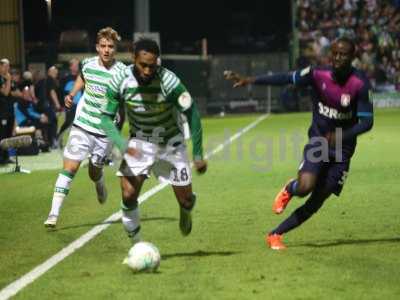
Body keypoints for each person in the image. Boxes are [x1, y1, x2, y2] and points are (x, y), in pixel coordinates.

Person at [225, 37, 374, 250]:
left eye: (344, 54)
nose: (339, 57)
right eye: (335, 53)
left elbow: (367, 122)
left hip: (343, 151)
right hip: (319, 141)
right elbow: (286, 78)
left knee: (316, 201)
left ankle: (275, 234)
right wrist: (250, 80)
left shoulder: (360, 84)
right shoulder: (316, 74)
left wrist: (341, 136)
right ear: (331, 54)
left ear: (352, 57)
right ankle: (290, 188)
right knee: (305, 188)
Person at [100, 38, 207, 243]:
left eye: (152, 66)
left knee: (186, 200)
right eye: (143, 65)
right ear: (133, 58)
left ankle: (185, 211)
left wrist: (198, 154)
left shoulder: (170, 81)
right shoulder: (119, 80)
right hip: (139, 142)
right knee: (129, 194)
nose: (148, 71)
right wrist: (122, 146)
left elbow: (192, 112)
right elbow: (105, 119)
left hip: (171, 144)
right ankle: (136, 246)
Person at [44, 27, 126, 227]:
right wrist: (71, 94)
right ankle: (53, 214)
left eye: (110, 47)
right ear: (97, 47)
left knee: (94, 171)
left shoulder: (123, 72)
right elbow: (82, 76)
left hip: (104, 132)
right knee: (70, 168)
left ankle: (99, 183)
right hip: (82, 125)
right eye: (103, 46)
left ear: (115, 49)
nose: (106, 50)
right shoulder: (88, 64)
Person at [57, 58, 83, 145]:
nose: (76, 67)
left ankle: (78, 142)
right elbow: (61, 92)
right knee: (68, 122)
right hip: (70, 104)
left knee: (80, 123)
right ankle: (59, 137)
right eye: (74, 65)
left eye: (77, 65)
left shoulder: (81, 77)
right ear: (70, 67)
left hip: (80, 104)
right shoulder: (66, 78)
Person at [0, 58, 13, 164]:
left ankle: (6, 156)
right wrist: (8, 80)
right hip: (2, 111)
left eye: (8, 66)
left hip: (8, 110)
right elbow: (5, 92)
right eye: (5, 66)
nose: (7, 68)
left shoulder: (6, 78)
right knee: (2, 134)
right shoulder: (2, 78)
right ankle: (1, 157)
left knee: (8, 134)